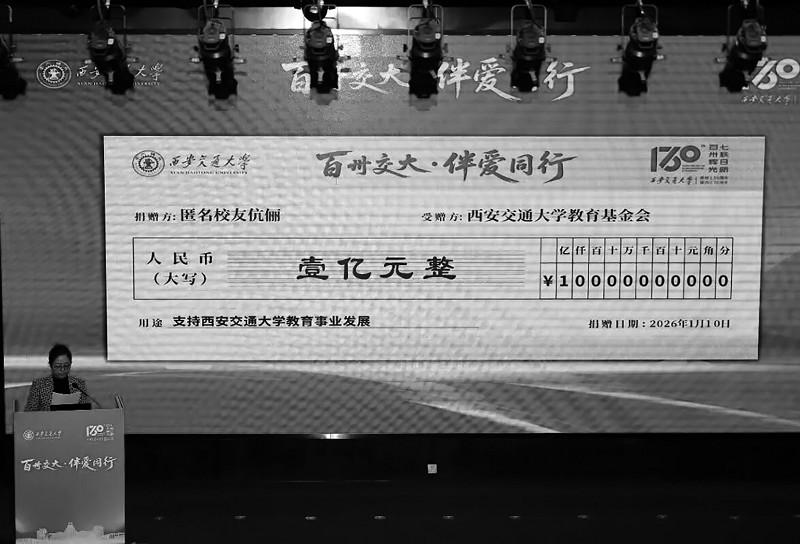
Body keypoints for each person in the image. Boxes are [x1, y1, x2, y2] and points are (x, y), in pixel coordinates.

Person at [24, 344, 90, 411]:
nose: (62, 369)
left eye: (66, 366)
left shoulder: (79, 384)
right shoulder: (39, 385)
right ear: (50, 365)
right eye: (58, 366)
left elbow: (85, 412)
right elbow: (29, 412)